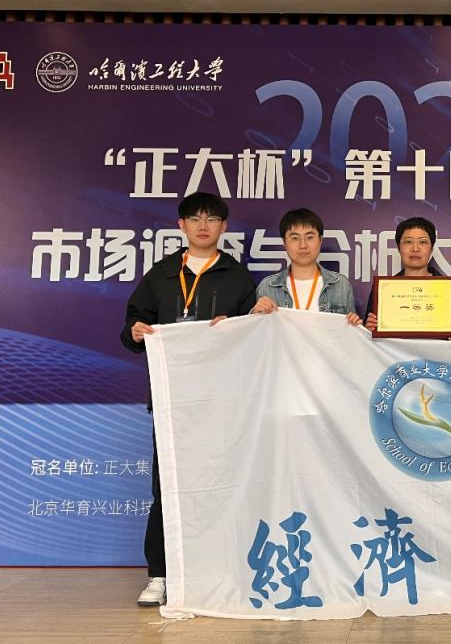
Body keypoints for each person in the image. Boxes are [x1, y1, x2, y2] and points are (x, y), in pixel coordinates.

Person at [120, 191, 256, 607]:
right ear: (181, 225)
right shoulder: (161, 274)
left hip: (221, 402)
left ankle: (218, 570)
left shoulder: (237, 276)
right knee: (168, 487)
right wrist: (136, 332)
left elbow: (253, 338)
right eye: (194, 218)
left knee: (221, 483)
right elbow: (132, 324)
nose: (203, 226)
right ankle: (159, 574)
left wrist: (240, 326)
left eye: (211, 219)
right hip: (172, 403)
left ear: (223, 227)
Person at [250, 207, 361, 325]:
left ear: (320, 240)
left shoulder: (340, 285)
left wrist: (354, 324)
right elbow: (256, 332)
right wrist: (254, 314)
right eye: (295, 238)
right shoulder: (268, 287)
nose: (303, 245)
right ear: (284, 242)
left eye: (310, 237)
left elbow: (349, 333)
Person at [364, 216, 451, 338]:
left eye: (423, 242)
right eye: (408, 242)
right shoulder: (383, 290)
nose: (415, 249)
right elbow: (368, 337)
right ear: (399, 248)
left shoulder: (450, 290)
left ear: (431, 248)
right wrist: (368, 329)